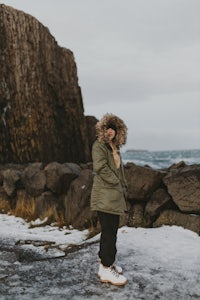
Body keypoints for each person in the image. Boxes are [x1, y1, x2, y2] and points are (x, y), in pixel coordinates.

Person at [90, 113, 128, 286]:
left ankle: (105, 264)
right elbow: (100, 167)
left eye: (113, 128)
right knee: (109, 233)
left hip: (113, 195)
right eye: (107, 128)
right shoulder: (99, 146)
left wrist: (122, 185)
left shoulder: (115, 148)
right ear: (102, 130)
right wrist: (116, 182)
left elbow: (120, 171)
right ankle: (106, 269)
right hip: (105, 195)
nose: (110, 132)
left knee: (110, 231)